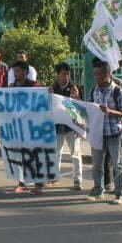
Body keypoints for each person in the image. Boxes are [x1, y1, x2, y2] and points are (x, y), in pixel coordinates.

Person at [86, 61, 122, 205]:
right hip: (98, 133)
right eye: (95, 75)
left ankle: (120, 193)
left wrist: (110, 112)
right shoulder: (94, 90)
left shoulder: (118, 91)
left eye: (99, 74)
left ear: (108, 75)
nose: (96, 77)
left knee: (118, 164)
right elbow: (89, 109)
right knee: (97, 164)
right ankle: (98, 190)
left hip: (114, 133)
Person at [48, 62, 83, 190]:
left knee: (75, 153)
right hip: (57, 126)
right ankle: (54, 177)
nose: (66, 76)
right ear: (58, 75)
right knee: (56, 152)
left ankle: (78, 180)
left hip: (72, 126)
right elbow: (48, 106)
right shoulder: (52, 87)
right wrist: (49, 95)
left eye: (68, 74)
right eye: (64, 74)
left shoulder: (75, 87)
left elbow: (81, 109)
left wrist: (77, 96)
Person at [10, 60, 40, 194]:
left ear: (25, 72)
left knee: (34, 156)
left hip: (33, 127)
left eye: (17, 71)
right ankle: (22, 183)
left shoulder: (34, 86)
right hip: (18, 128)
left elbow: (42, 102)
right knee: (20, 156)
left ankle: (38, 184)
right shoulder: (11, 87)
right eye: (14, 71)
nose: (15, 74)